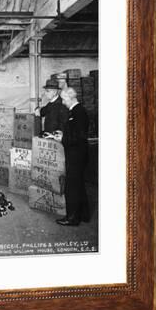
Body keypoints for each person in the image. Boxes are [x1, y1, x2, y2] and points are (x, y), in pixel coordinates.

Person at [55, 87, 90, 226]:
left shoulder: (78, 112)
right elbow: (75, 133)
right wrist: (63, 134)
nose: (63, 102)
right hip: (78, 154)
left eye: (64, 99)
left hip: (76, 155)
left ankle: (72, 218)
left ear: (71, 98)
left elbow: (79, 137)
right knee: (79, 185)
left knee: (72, 187)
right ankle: (83, 215)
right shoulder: (76, 111)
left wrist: (62, 139)